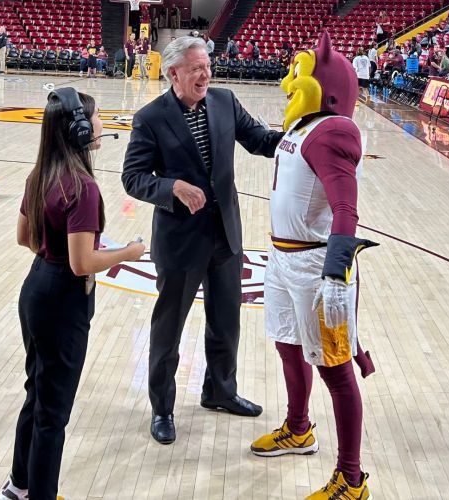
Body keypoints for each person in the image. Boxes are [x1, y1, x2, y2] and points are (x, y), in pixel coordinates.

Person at [121, 36, 284, 445]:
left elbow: (260, 141)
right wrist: (171, 187)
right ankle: (162, 408)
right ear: (174, 73)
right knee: (169, 330)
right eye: (196, 68)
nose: (205, 74)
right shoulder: (150, 118)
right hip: (180, 241)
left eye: (207, 66)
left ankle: (220, 391)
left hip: (225, 235)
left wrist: (305, 135)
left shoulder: (225, 101)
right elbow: (133, 178)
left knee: (226, 322)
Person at [0, 88, 146, 500]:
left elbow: (24, 238)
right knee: (54, 412)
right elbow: (83, 263)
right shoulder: (82, 187)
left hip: (36, 288)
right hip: (63, 299)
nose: (101, 124)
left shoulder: (39, 174)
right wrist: (129, 252)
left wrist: (55, 252)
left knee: (37, 391)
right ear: (80, 130)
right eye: (96, 117)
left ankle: (19, 484)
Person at [249, 31, 377, 500]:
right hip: (282, 258)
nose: (289, 81)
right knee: (286, 344)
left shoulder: (334, 130)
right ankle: (299, 428)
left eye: (299, 74)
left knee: (335, 367)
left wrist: (337, 270)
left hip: (316, 263)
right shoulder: (301, 127)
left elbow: (347, 207)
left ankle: (351, 478)